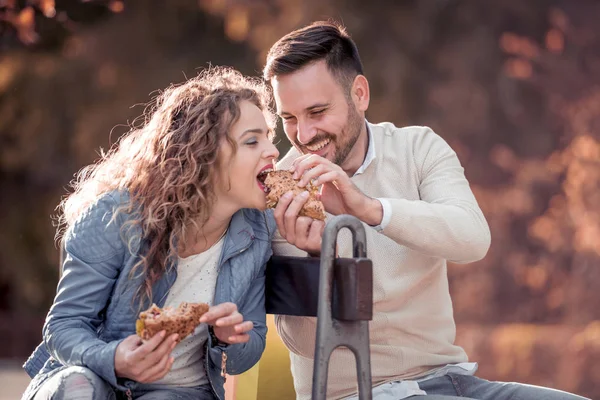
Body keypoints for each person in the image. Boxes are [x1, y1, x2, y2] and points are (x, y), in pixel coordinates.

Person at [263, 21, 589, 400]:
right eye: (289, 118)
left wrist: (370, 209)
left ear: (360, 94)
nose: (303, 135)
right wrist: (317, 257)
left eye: (317, 112)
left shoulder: (418, 149)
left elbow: (472, 238)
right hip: (358, 393)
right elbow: (304, 345)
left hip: (451, 381)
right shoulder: (281, 193)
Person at [21, 67, 279, 400]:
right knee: (79, 388)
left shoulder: (258, 231)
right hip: (96, 381)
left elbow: (249, 350)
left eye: (269, 136)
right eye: (252, 141)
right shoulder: (116, 216)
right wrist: (115, 359)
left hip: (180, 394)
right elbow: (64, 326)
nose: (272, 151)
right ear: (203, 155)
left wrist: (228, 337)